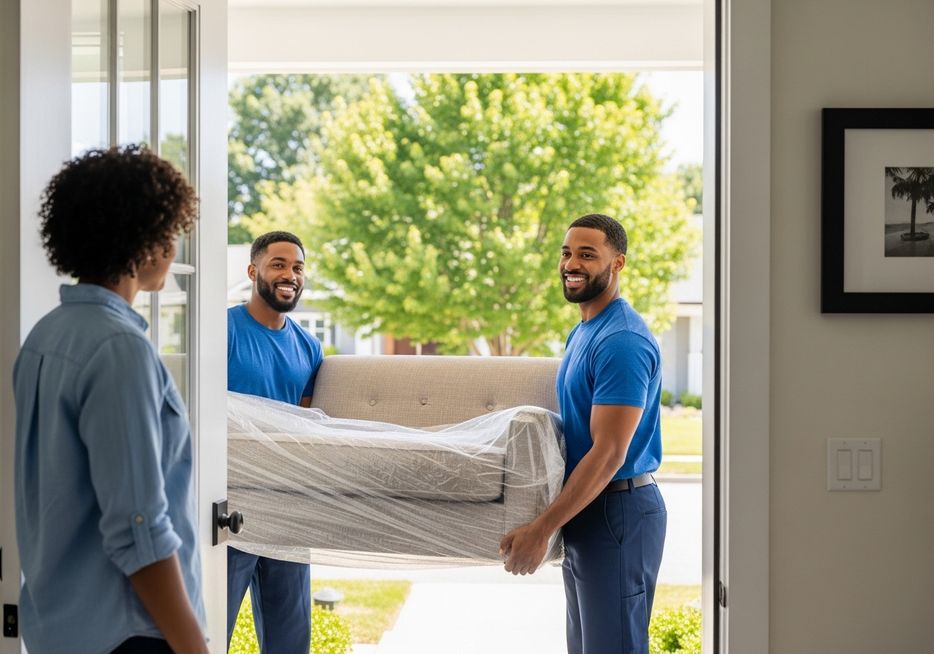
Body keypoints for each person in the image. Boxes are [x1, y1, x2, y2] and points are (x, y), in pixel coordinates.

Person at [13, 145, 206, 654]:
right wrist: (193, 645)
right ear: (140, 241)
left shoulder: (46, 336)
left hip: (58, 629)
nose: (173, 245)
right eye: (168, 231)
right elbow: (138, 528)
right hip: (129, 634)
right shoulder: (120, 349)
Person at [500, 213, 667, 654]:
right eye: (567, 253)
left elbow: (610, 451)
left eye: (588, 254)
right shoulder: (585, 330)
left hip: (618, 511)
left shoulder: (622, 340)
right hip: (590, 508)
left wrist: (542, 528)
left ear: (618, 264)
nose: (572, 264)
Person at [226, 231, 324, 653]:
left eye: (297, 267)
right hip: (228, 507)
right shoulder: (221, 330)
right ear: (253, 271)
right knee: (209, 629)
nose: (290, 275)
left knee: (290, 641)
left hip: (288, 507)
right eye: (278, 264)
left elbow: (304, 426)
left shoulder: (309, 346)